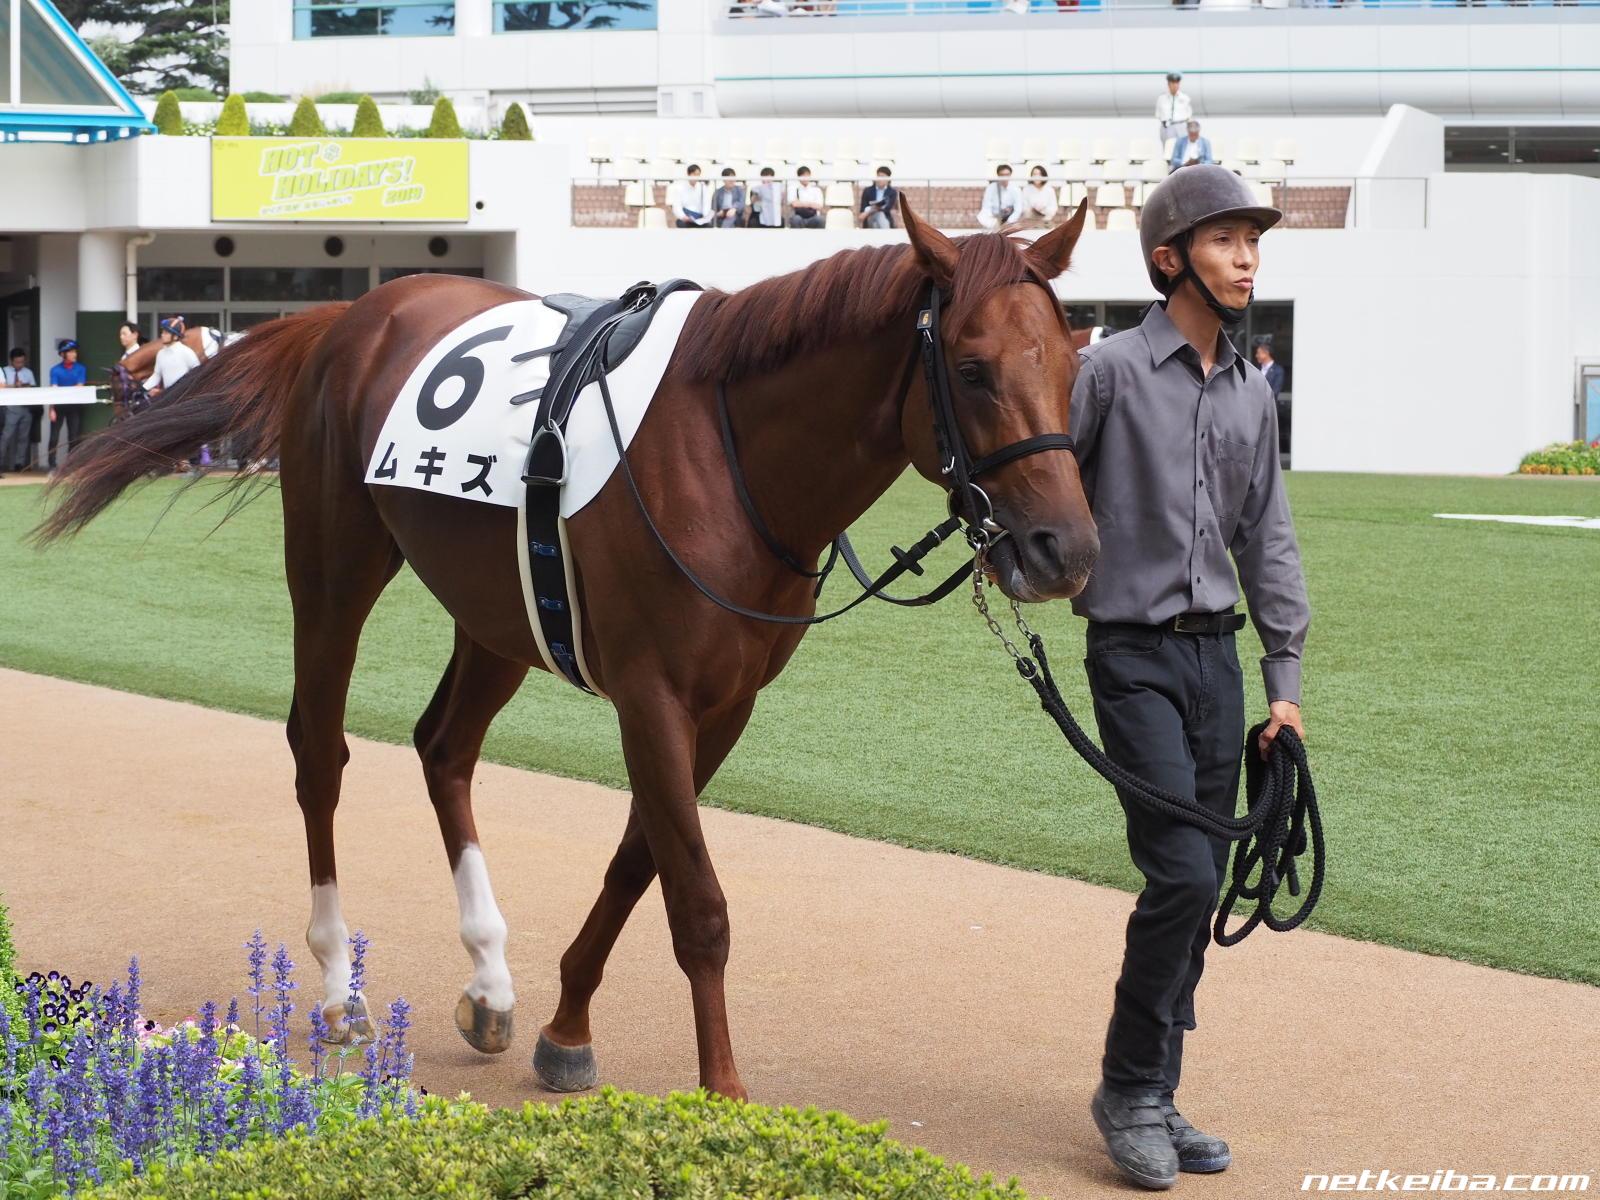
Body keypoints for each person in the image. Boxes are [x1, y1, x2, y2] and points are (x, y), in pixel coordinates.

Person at [1070, 164, 1309, 1191]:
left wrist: (1282, 683)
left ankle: (1158, 1092)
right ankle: (1127, 1090)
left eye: (1253, 242)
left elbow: (1268, 539)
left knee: (1204, 881)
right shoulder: (1107, 373)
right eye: (1225, 241)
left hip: (1219, 664)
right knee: (1184, 875)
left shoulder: (1252, 390)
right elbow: (1039, 483)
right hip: (1131, 658)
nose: (1247, 259)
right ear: (1170, 259)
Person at [46, 338, 89, 471]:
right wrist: (51, 409)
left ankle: (70, 465)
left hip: (73, 406)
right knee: (54, 437)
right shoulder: (55, 370)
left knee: (74, 437)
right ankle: (52, 465)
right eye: (70, 352)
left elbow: (80, 386)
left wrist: (64, 391)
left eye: (75, 351)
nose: (74, 354)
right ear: (62, 354)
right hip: (59, 406)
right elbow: (53, 390)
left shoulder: (81, 368)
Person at [1, 347, 38, 476]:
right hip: (10, 407)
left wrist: (24, 386)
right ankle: (1, 463)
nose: (20, 364)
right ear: (11, 361)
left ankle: (19, 464)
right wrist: (15, 386)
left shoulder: (28, 372)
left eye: (22, 362)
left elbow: (33, 387)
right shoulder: (4, 371)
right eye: (17, 362)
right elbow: (2, 387)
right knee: (6, 436)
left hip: (26, 407)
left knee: (23, 437)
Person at [148, 316, 201, 399]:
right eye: (162, 332)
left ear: (175, 336)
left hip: (184, 398)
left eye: (166, 333)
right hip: (167, 398)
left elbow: (198, 374)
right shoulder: (160, 353)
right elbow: (157, 375)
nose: (162, 335)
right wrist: (143, 388)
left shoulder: (186, 352)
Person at [976, 163, 1022, 230]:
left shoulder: (1016, 189)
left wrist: (1009, 221)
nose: (1005, 177)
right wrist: (993, 219)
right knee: (984, 217)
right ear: (998, 175)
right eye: (1002, 175)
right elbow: (986, 207)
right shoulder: (991, 187)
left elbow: (1018, 209)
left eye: (1007, 175)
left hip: (1009, 218)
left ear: (1010, 175)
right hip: (994, 217)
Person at [1157, 72, 1194, 144]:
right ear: (1168, 84)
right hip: (1167, 126)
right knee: (1168, 148)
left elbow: (1189, 114)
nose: (1175, 85)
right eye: (1172, 83)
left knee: (1183, 147)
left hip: (1181, 126)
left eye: (1177, 83)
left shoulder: (1185, 98)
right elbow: (1158, 114)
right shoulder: (1162, 98)